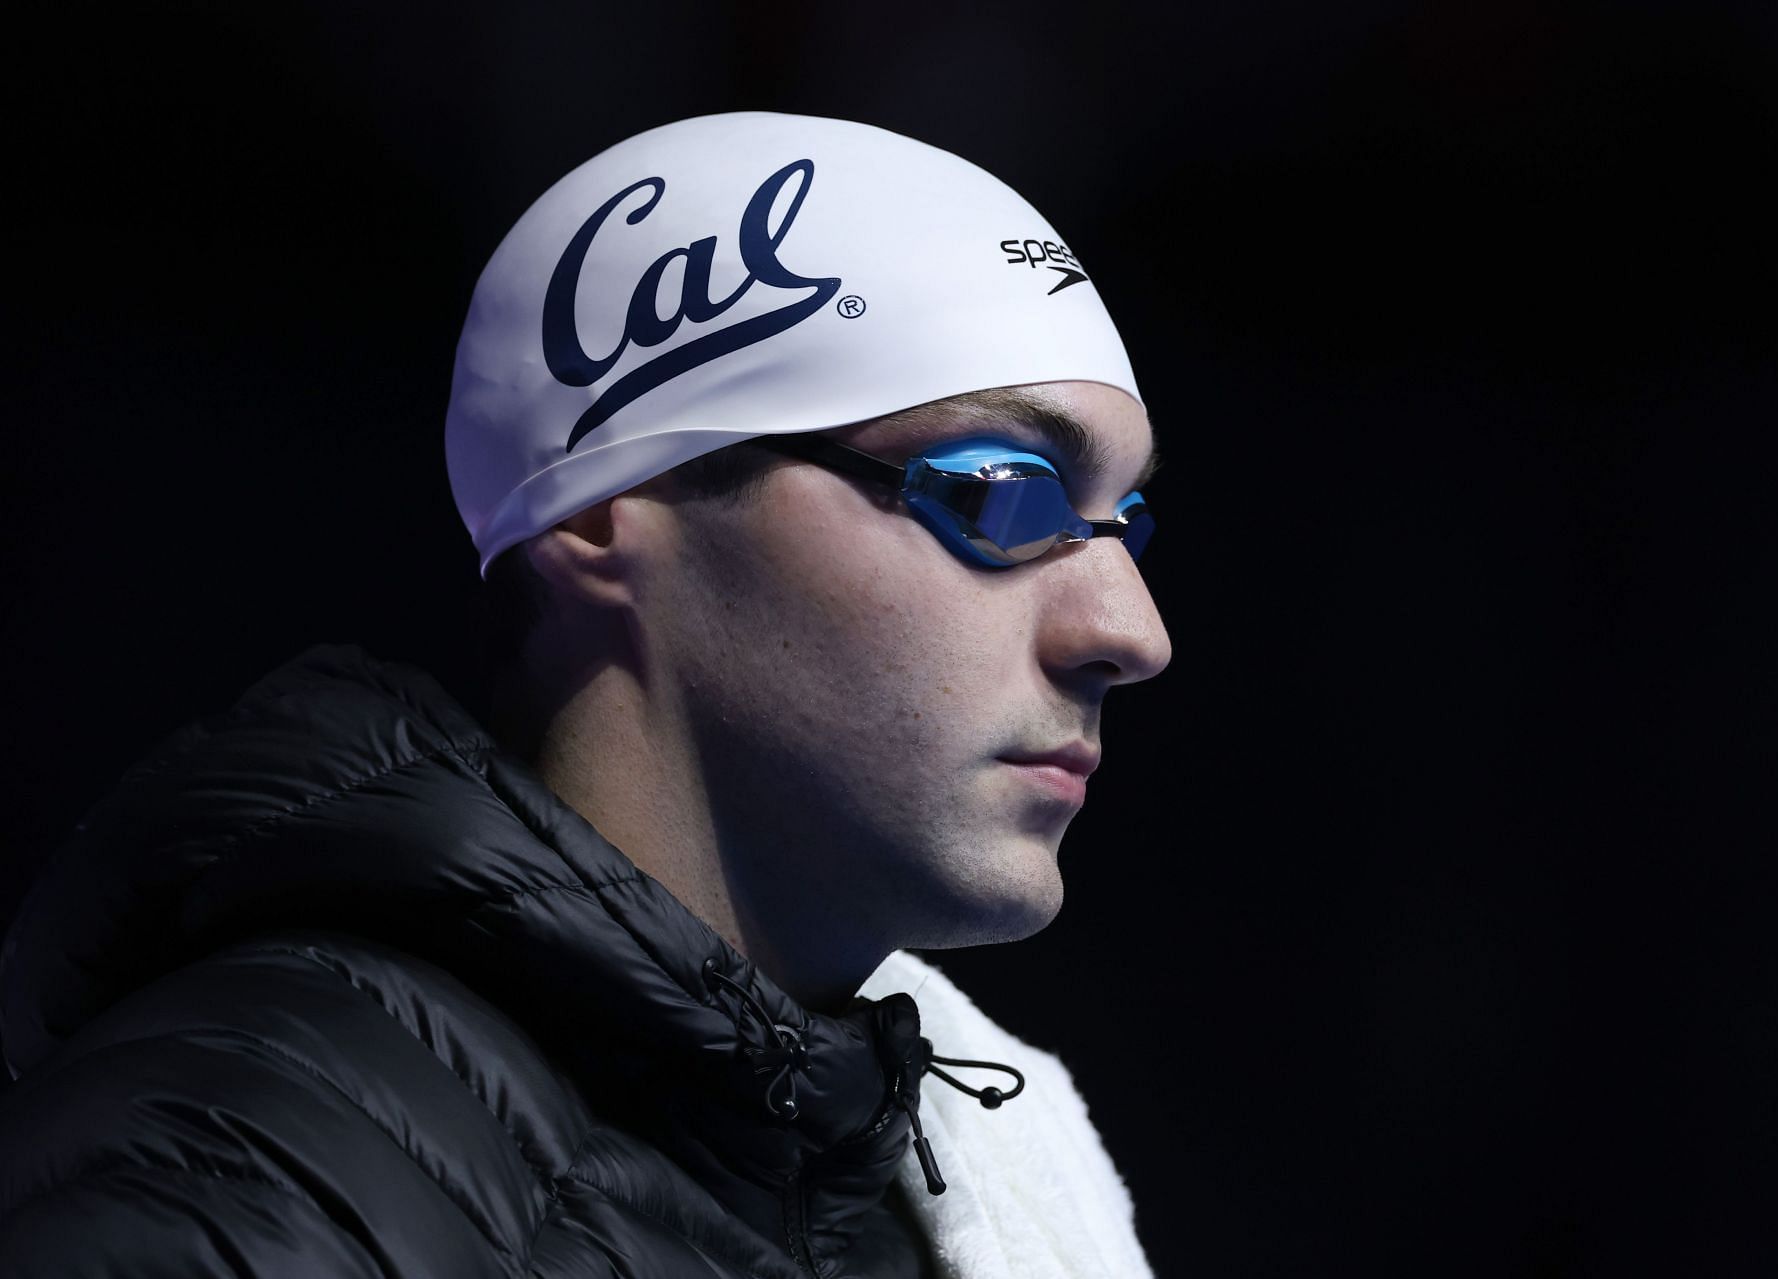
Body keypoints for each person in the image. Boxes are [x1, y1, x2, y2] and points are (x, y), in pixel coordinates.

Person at [0, 111, 1170, 1278]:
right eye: (1002, 498)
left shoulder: (919, 1170)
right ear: (607, 505)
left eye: (1128, 525)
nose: (1131, 633)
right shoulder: (231, 1179)